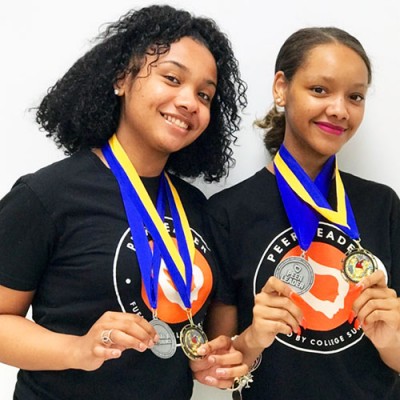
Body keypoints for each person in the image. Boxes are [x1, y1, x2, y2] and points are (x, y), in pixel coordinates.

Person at [0, 5, 249, 400]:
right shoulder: (47, 195)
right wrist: (77, 349)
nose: (189, 101)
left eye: (204, 94)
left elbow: (205, 330)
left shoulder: (197, 208)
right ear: (122, 79)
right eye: (172, 78)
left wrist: (212, 358)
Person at [201, 27, 400, 399]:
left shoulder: (382, 205)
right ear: (281, 88)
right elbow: (216, 370)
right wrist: (254, 336)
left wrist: (390, 340)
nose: (339, 109)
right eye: (320, 90)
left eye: (354, 96)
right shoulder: (227, 213)